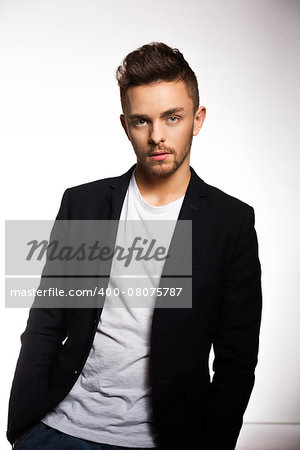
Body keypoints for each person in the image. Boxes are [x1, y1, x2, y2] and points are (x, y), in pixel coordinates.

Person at [7, 42, 262, 450]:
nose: (157, 136)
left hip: (168, 437)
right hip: (61, 428)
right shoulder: (86, 204)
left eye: (172, 118)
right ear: (125, 125)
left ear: (197, 120)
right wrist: (21, 427)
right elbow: (46, 321)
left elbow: (237, 356)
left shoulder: (229, 221)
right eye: (142, 121)